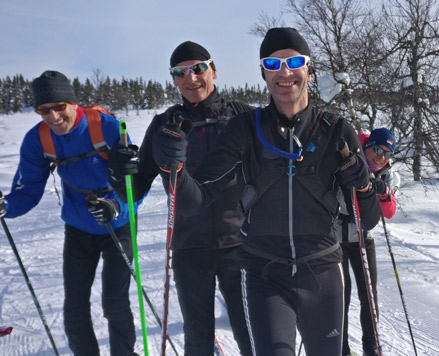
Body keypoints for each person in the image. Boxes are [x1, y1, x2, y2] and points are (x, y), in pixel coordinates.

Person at [151, 27, 382, 356]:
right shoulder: (245, 129)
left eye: (294, 62)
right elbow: (194, 202)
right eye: (273, 65)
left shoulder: (336, 130)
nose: (284, 72)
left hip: (323, 272)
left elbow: (367, 219)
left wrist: (363, 184)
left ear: (309, 71)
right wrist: (174, 167)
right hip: (265, 274)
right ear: (263, 74)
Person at [106, 40, 253, 355]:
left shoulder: (242, 116)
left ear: (213, 70)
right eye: (180, 72)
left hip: (241, 245)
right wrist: (121, 172)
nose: (192, 78)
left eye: (198, 68)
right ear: (173, 79)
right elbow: (137, 186)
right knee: (198, 339)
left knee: (250, 332)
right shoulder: (164, 124)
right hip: (189, 248)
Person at [0, 70, 139, 355]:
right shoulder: (38, 140)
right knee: (75, 305)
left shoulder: (106, 127)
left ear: (73, 103)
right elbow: (28, 191)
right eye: (44, 110)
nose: (53, 117)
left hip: (118, 223)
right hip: (78, 227)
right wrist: (4, 205)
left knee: (115, 302)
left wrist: (116, 206)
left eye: (59, 107)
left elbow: (133, 185)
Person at [339, 128, 398, 356]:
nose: (381, 157)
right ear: (368, 146)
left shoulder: (387, 174)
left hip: (365, 239)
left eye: (387, 153)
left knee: (369, 296)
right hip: (338, 237)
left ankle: (371, 348)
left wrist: (382, 192)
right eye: (377, 149)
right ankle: (341, 349)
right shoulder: (350, 159)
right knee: (341, 294)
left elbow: (390, 212)